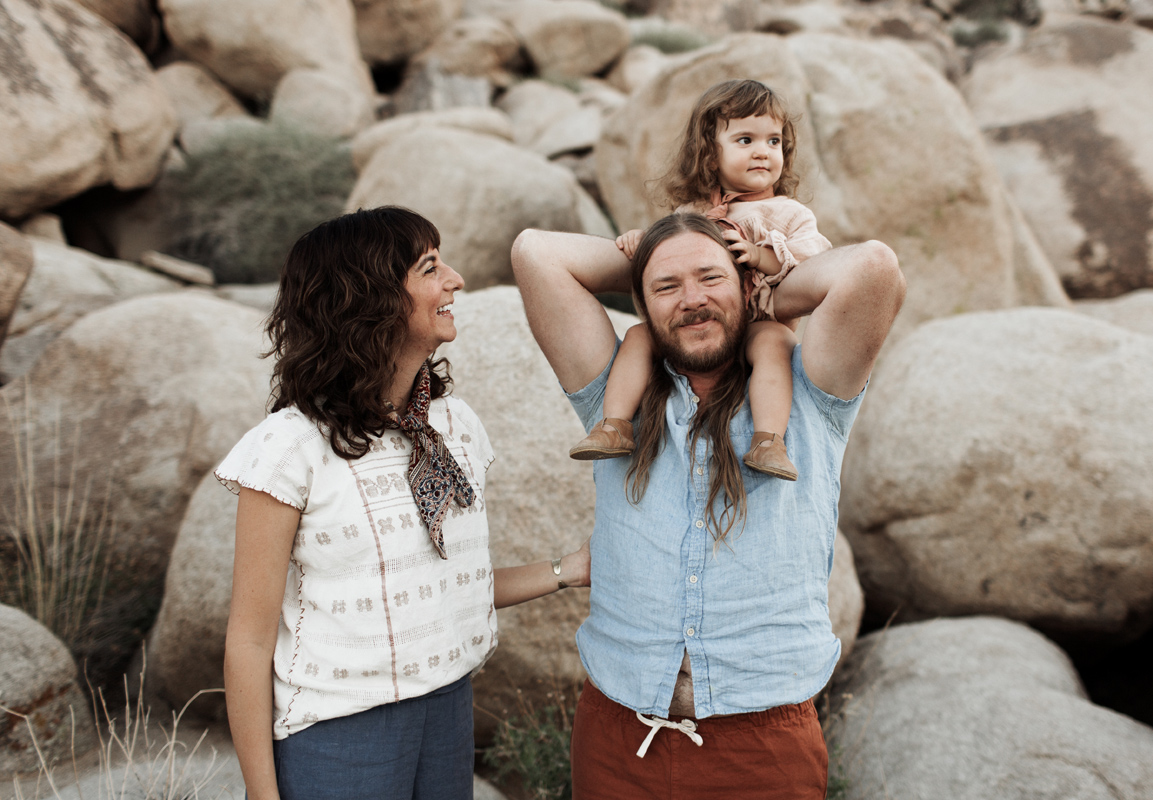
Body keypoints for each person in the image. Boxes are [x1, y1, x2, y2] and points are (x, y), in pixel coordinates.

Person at [511, 209, 904, 798]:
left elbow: (872, 267)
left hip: (763, 747)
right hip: (619, 739)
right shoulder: (615, 391)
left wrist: (754, 275)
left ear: (746, 285)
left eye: (709, 278)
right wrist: (663, 249)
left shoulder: (811, 391)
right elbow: (535, 252)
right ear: (643, 305)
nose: (691, 300)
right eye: (666, 288)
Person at [218, 206, 590, 800]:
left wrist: (566, 572)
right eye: (430, 268)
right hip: (340, 734)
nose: (457, 280)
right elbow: (249, 642)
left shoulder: (454, 427)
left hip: (447, 711)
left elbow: (447, 586)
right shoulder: (289, 449)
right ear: (370, 297)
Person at [569, 79, 832, 482]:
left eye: (774, 141)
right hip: (700, 324)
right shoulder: (693, 212)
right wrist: (644, 240)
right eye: (746, 140)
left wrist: (761, 257)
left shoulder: (789, 214)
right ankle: (615, 425)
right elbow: (671, 247)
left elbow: (815, 260)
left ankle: (768, 440)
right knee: (639, 335)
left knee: (776, 343)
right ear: (710, 155)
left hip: (757, 323)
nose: (763, 151)